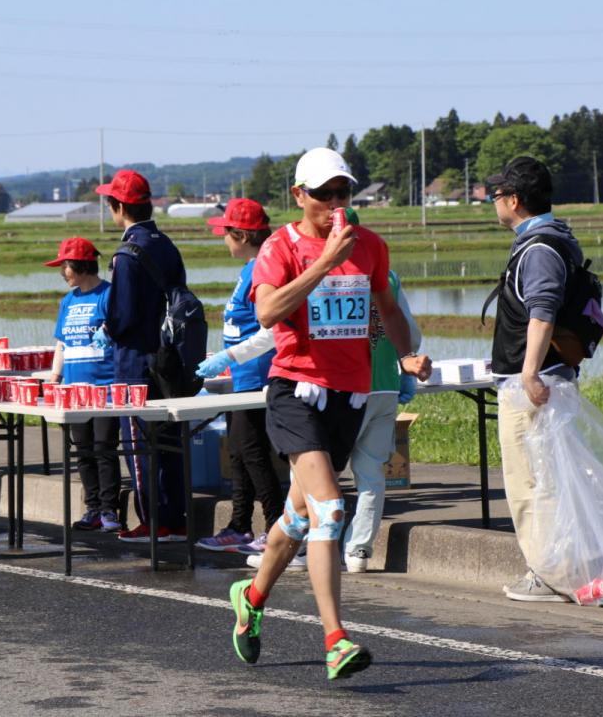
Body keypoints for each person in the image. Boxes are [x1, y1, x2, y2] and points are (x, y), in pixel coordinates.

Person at [228, 148, 431, 681]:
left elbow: (388, 310)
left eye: (343, 192)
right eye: (324, 194)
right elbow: (267, 311)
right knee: (330, 510)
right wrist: (323, 261)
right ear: (299, 195)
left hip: (349, 398)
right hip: (295, 393)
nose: (336, 202)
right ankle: (335, 639)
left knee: (297, 519)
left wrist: (407, 356)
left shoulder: (370, 246)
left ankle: (250, 597)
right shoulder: (280, 247)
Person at [486, 155, 585, 603]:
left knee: (531, 483)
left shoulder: (539, 248)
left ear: (514, 200)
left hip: (534, 386)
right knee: (545, 479)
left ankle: (546, 574)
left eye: (497, 194)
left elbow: (542, 311)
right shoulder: (548, 240)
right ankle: (555, 569)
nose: (493, 202)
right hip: (545, 379)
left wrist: (528, 373)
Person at [95, 169, 188, 543]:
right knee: (170, 441)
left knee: (138, 445)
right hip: (169, 360)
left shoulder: (127, 254)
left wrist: (106, 329)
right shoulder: (166, 245)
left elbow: (122, 315)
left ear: (119, 207)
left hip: (134, 362)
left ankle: (152, 521)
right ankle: (176, 519)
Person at [193, 199, 284, 554]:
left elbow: (270, 331)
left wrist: (228, 356)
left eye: (225, 233)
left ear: (242, 235)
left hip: (256, 376)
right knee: (238, 453)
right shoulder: (249, 268)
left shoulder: (263, 270)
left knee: (253, 452)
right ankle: (239, 525)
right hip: (240, 375)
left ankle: (276, 526)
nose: (223, 239)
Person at [340, 206, 422, 573]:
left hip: (341, 389)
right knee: (371, 474)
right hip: (385, 386)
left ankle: (310, 545)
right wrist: (404, 366)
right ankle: (359, 550)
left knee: (319, 473)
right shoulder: (387, 276)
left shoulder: (327, 274)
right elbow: (411, 333)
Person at [46, 237, 120, 532]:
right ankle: (92, 509)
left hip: (105, 388)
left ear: (80, 265)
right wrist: (55, 378)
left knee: (104, 449)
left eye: (64, 266)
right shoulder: (68, 301)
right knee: (83, 451)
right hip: (75, 391)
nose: (62, 272)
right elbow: (61, 343)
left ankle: (110, 510)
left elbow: (121, 330)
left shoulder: (109, 295)